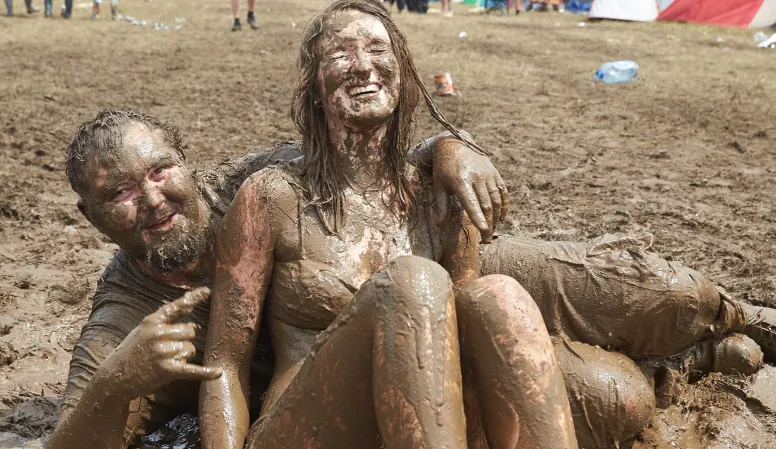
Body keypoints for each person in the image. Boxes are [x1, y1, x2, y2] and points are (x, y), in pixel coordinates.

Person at [198, 1, 583, 448]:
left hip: (418, 424)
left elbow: (465, 350)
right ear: (315, 88)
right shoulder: (273, 196)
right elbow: (225, 363)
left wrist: (453, 144)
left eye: (377, 49)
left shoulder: (439, 196)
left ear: (403, 73)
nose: (363, 67)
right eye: (341, 53)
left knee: (499, 296)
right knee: (411, 281)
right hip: (306, 432)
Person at [46, 108, 509, 449]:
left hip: (393, 316)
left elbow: (365, 161)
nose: (150, 198)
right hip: (306, 409)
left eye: (160, 170)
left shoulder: (253, 185)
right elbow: (67, 439)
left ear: (185, 162)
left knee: (524, 300)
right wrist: (116, 382)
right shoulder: (127, 314)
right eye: (119, 193)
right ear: (90, 216)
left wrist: (448, 148)